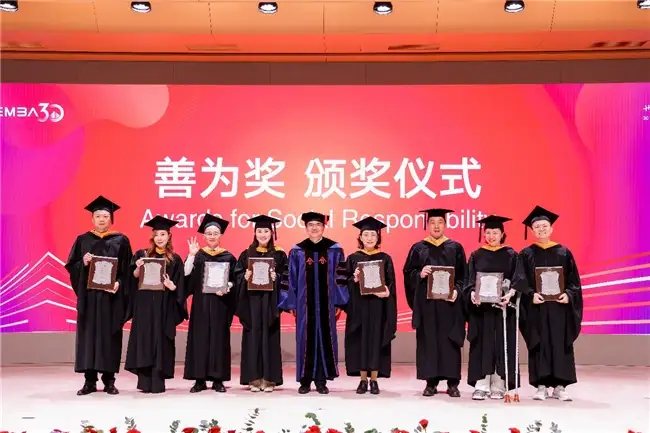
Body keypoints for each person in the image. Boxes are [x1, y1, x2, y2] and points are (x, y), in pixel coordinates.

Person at [64, 195, 133, 396]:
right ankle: (89, 381)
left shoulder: (121, 240)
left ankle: (109, 381)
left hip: (111, 299)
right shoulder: (83, 240)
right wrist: (83, 263)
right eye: (98, 216)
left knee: (110, 337)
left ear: (111, 218)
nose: (102, 219)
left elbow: (128, 271)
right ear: (92, 219)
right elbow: (72, 266)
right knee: (89, 338)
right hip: (90, 297)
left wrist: (119, 284)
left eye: (105, 216)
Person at [514, 205, 583, 402]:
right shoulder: (526, 254)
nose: (541, 230)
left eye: (544, 226)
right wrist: (531, 294)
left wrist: (568, 294)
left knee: (560, 343)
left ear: (551, 228)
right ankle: (541, 386)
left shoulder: (563, 252)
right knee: (539, 343)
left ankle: (560, 386)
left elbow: (574, 281)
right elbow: (520, 279)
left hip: (559, 308)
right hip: (537, 307)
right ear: (532, 230)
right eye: (537, 227)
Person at [278, 211, 349, 394]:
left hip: (327, 304)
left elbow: (340, 277)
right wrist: (291, 303)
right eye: (311, 225)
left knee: (325, 338)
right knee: (305, 339)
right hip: (304, 306)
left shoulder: (334, 250)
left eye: (318, 224)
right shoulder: (297, 251)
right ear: (306, 227)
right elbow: (290, 278)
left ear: (324, 227)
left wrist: (339, 302)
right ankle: (305, 380)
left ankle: (321, 380)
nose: (314, 228)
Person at [403, 208, 467, 398]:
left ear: (445, 224)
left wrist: (457, 291)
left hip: (449, 304)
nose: (436, 226)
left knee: (450, 341)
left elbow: (464, 276)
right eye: (432, 222)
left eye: (440, 222)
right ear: (427, 225)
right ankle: (430, 382)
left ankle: (452, 383)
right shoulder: (418, 248)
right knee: (428, 341)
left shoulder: (455, 247)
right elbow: (408, 273)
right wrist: (419, 274)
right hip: (427, 305)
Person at [124, 215, 188, 393]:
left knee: (161, 340)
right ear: (152, 236)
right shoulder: (142, 255)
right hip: (144, 306)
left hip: (164, 306)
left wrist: (172, 286)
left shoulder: (175, 259)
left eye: (163, 234)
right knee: (144, 340)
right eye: (157, 234)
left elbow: (180, 286)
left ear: (169, 236)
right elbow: (131, 279)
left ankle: (158, 381)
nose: (159, 238)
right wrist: (138, 268)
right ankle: (144, 382)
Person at [464, 215, 520, 400]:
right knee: (482, 344)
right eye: (488, 232)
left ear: (502, 234)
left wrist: (511, 293)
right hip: (482, 310)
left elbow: (518, 279)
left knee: (501, 344)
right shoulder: (476, 255)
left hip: (503, 309)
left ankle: (498, 384)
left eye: (495, 232)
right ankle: (481, 384)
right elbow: (469, 280)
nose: (491, 236)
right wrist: (472, 293)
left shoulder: (511, 255)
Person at [183, 213, 238, 393]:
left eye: (215, 233)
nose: (212, 236)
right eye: (209, 233)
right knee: (200, 339)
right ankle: (199, 380)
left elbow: (235, 280)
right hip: (201, 304)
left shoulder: (228, 257)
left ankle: (218, 379)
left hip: (220, 304)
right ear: (204, 236)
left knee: (219, 340)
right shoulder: (198, 256)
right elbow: (186, 276)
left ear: (220, 235)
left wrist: (228, 286)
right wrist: (191, 256)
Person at [345, 216, 397, 395]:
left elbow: (391, 283)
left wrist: (387, 292)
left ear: (378, 237)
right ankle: (362, 379)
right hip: (359, 308)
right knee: (360, 341)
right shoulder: (352, 258)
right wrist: (354, 279)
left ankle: (374, 379)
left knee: (376, 340)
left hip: (378, 307)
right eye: (366, 234)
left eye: (373, 235)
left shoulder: (385, 258)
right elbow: (343, 283)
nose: (369, 238)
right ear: (360, 237)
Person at [235, 214, 287, 392]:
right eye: (259, 231)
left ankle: (269, 380)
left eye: (266, 231)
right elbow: (237, 276)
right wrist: (244, 277)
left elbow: (287, 277)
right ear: (255, 233)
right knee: (252, 337)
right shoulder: (247, 254)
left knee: (270, 337)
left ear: (272, 233)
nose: (263, 234)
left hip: (270, 303)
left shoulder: (279, 254)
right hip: (252, 303)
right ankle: (254, 379)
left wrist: (276, 277)